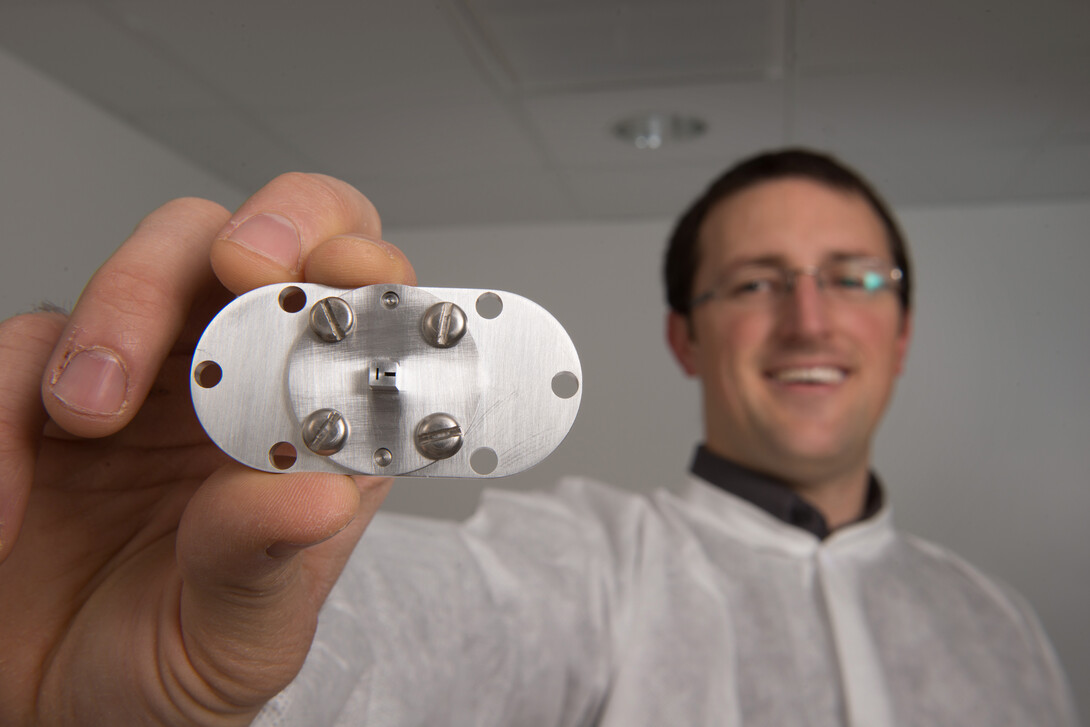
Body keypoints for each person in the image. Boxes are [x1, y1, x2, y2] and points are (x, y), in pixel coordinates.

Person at [0, 151, 1076, 726]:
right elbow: (367, 643)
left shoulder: (1000, 623)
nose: (808, 316)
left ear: (899, 330)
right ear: (684, 336)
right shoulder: (578, 573)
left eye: (852, 278)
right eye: (754, 281)